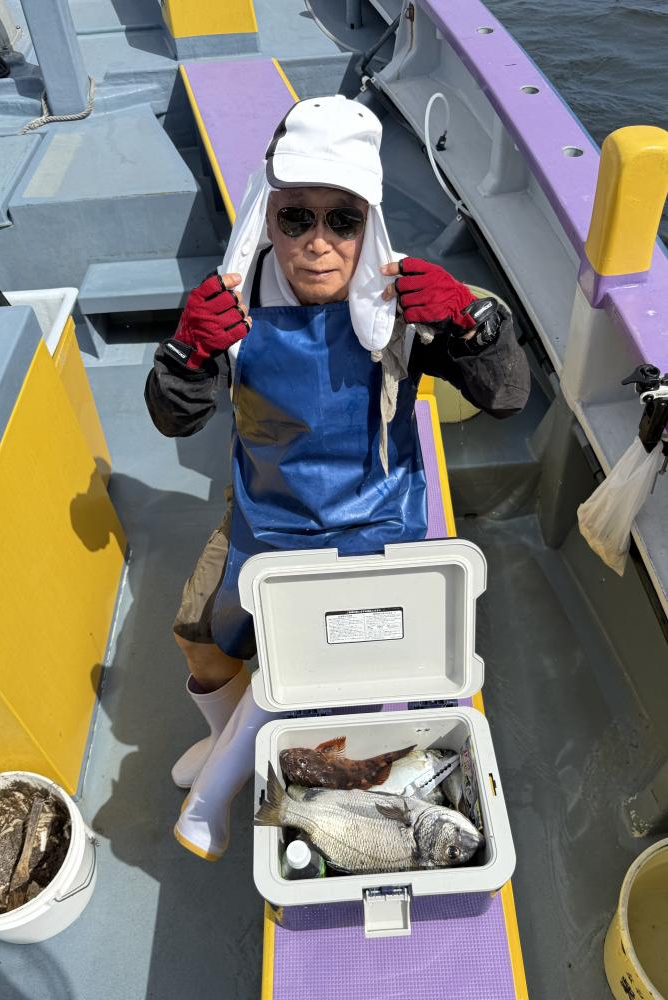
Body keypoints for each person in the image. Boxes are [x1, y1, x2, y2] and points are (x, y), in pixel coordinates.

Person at [145, 95, 530, 859]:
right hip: (265, 515)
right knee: (197, 638)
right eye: (296, 218)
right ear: (269, 216)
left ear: (366, 223)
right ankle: (230, 742)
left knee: (311, 662)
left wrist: (472, 325)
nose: (317, 243)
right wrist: (186, 356)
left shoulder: (399, 305)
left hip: (374, 527)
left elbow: (507, 395)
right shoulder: (230, 301)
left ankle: (224, 782)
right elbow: (172, 419)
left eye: (341, 221)